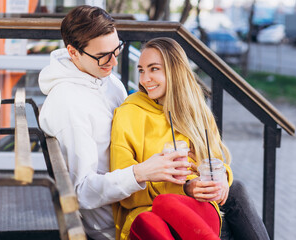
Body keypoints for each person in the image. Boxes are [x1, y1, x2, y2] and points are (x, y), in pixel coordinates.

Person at [38, 6, 191, 240]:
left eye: (116, 49)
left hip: (145, 199)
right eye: (102, 55)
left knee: (232, 190)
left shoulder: (106, 81)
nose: (113, 62)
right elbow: (82, 192)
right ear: (73, 52)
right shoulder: (69, 105)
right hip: (118, 221)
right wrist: (141, 172)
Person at [110, 37, 234, 240]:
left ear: (175, 70)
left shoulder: (198, 114)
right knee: (156, 212)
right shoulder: (128, 114)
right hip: (143, 212)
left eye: (154, 69)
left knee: (167, 204)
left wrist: (221, 182)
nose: (144, 79)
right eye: (141, 70)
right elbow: (123, 187)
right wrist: (184, 188)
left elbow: (217, 163)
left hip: (197, 211)